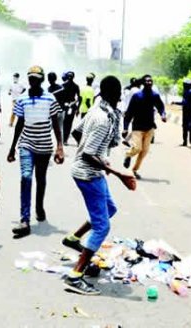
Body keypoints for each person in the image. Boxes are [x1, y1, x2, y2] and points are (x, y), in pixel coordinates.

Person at [63, 76, 136, 295]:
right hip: (88, 174)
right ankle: (75, 276)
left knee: (109, 209)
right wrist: (118, 173)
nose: (121, 96)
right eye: (119, 93)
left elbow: (77, 132)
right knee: (102, 226)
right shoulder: (104, 119)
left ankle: (73, 238)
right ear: (114, 95)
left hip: (91, 171)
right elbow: (87, 154)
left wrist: (98, 155)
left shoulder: (96, 109)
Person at [7, 65, 64, 239]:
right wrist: (12, 148)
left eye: (36, 78)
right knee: (26, 176)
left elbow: (56, 123)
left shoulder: (50, 98)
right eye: (31, 78)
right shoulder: (23, 99)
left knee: (41, 178)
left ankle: (39, 206)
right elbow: (19, 124)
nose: (33, 81)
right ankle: (25, 219)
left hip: (45, 146)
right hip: (26, 144)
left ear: (42, 80)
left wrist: (60, 146)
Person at [123, 74, 167, 179]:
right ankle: (128, 155)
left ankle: (134, 170)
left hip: (149, 128)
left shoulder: (155, 96)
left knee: (144, 151)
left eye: (151, 81)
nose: (149, 82)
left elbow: (161, 107)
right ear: (143, 83)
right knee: (138, 148)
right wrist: (125, 127)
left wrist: (163, 115)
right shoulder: (137, 96)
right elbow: (129, 113)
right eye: (147, 81)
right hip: (137, 127)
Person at [62, 71, 80, 145]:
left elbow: (60, 97)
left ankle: (64, 139)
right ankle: (65, 139)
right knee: (69, 123)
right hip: (72, 106)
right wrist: (77, 108)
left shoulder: (63, 85)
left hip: (64, 106)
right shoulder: (76, 86)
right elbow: (79, 98)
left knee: (64, 123)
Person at [47, 72, 65, 136]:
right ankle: (60, 145)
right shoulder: (61, 88)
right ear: (56, 78)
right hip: (61, 110)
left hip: (53, 111)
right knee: (60, 129)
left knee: (48, 129)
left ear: (48, 80)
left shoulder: (48, 90)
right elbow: (64, 98)